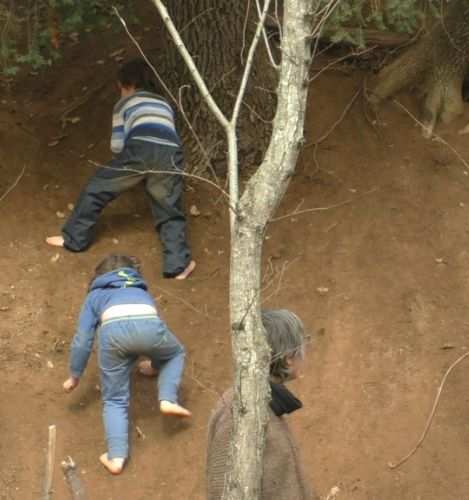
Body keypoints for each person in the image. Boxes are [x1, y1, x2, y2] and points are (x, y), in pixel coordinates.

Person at [46, 58, 195, 279]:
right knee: (168, 207)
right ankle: (177, 266)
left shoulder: (124, 104)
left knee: (97, 188)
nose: (121, 94)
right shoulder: (164, 103)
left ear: (129, 84)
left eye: (121, 89)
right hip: (170, 154)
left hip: (139, 149)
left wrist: (130, 169)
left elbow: (117, 146)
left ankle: (73, 239)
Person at [61, 254, 191, 475]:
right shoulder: (141, 291)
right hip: (149, 325)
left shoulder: (95, 296)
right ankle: (167, 398)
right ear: (133, 273)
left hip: (113, 336)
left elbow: (83, 339)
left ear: (98, 277)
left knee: (114, 399)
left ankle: (116, 457)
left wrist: (75, 375)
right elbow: (154, 332)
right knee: (174, 352)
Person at [206, 309, 314, 499]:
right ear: (288, 357)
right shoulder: (239, 408)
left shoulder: (263, 402)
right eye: (302, 344)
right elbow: (222, 487)